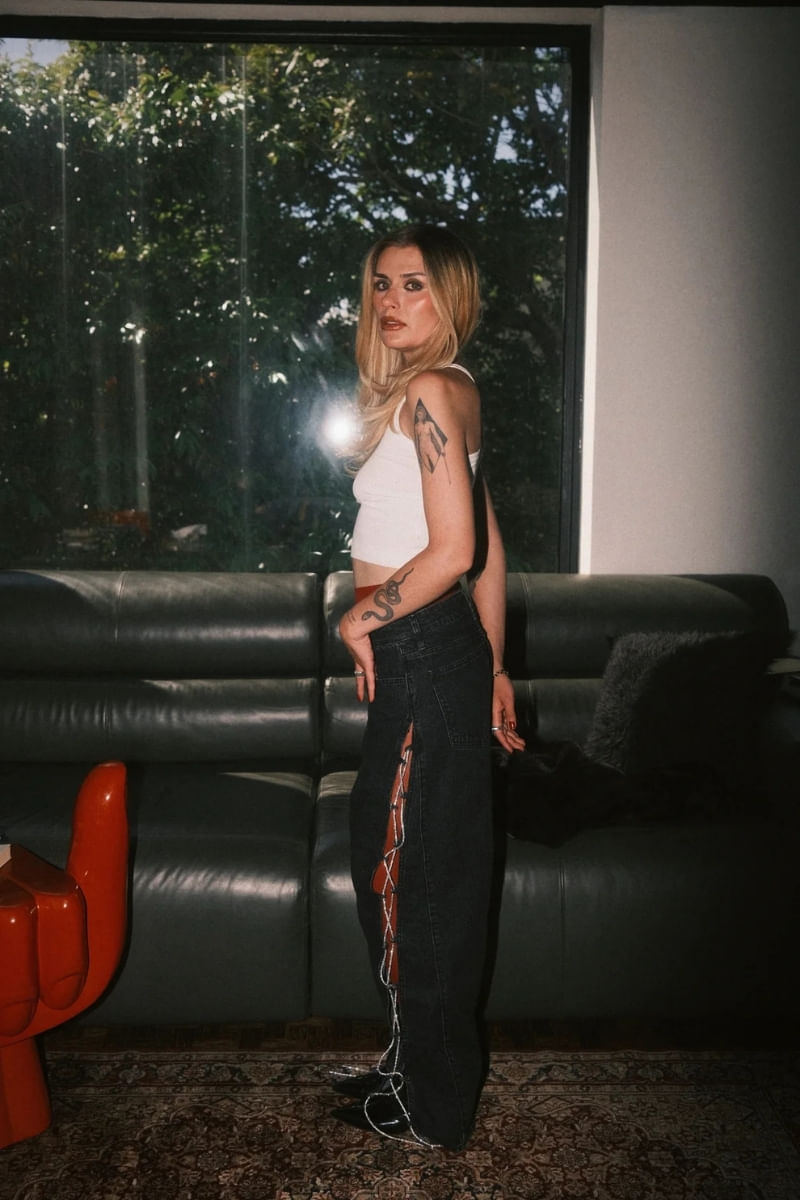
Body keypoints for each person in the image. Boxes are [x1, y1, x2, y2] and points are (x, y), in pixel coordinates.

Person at [331, 223, 524, 1150]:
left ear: (452, 297)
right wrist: (496, 666)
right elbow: (491, 545)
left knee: (412, 881)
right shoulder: (446, 390)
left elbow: (453, 552)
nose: (390, 301)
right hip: (441, 654)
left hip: (417, 651)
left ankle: (433, 1107)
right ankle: (416, 1067)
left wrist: (360, 619)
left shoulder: (432, 391)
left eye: (413, 284)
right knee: (409, 868)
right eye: (381, 284)